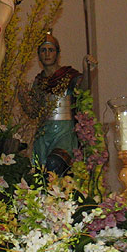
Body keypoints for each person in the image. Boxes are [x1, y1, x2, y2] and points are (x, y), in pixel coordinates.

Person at [21, 31, 95, 175]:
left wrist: (86, 72)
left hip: (64, 132)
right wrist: (23, 99)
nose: (47, 54)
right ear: (38, 55)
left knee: (55, 163)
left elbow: (83, 89)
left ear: (57, 53)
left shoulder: (68, 75)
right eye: (43, 50)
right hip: (44, 134)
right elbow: (34, 113)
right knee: (40, 173)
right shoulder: (38, 81)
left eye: (51, 50)